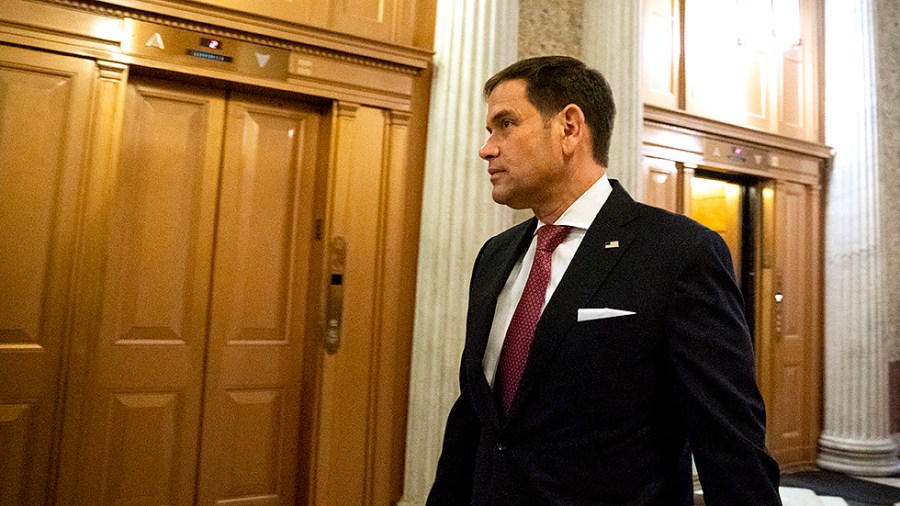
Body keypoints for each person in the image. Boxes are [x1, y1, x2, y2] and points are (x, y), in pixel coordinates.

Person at [427, 56, 782, 505]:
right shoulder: (495, 256)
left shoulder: (678, 253)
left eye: (506, 124)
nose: (487, 148)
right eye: (489, 130)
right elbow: (474, 422)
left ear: (569, 128)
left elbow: (729, 443)